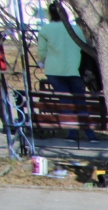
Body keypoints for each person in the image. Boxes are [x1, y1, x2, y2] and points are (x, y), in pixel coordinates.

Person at [37, 3, 95, 142]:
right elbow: (84, 47)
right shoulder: (76, 29)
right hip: (75, 69)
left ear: (50, 14)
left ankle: (72, 134)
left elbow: (42, 51)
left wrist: (41, 61)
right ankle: (90, 135)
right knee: (80, 102)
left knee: (65, 102)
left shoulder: (46, 29)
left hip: (55, 71)